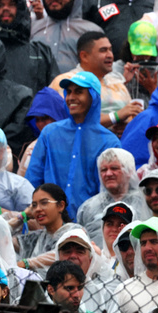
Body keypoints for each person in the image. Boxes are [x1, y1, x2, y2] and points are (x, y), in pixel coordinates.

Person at [27, 71, 122, 210]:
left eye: (78, 92)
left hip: (90, 223)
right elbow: (33, 178)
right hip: (50, 221)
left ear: (93, 97)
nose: (71, 97)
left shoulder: (109, 141)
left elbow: (111, 191)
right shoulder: (50, 133)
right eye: (69, 92)